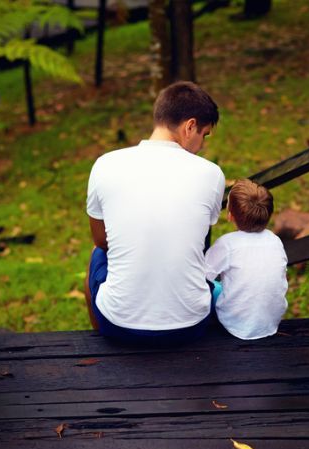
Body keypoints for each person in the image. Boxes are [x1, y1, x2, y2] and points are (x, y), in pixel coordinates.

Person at [85, 81, 225, 344]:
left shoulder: (105, 165)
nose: (202, 145)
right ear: (190, 126)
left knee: (97, 254)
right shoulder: (211, 174)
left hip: (119, 327)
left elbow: (101, 241)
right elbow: (200, 240)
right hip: (191, 325)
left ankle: (101, 337)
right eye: (204, 135)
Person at [205, 179, 288, 340]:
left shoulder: (227, 244)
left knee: (213, 287)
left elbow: (201, 275)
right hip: (271, 323)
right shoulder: (275, 240)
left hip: (234, 324)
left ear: (230, 215)